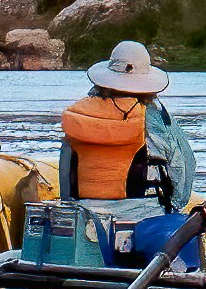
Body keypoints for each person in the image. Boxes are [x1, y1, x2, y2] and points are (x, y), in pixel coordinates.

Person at [55, 39, 186, 202]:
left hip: (83, 214)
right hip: (142, 215)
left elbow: (66, 175)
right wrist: (177, 205)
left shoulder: (78, 114)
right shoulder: (155, 118)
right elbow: (182, 168)